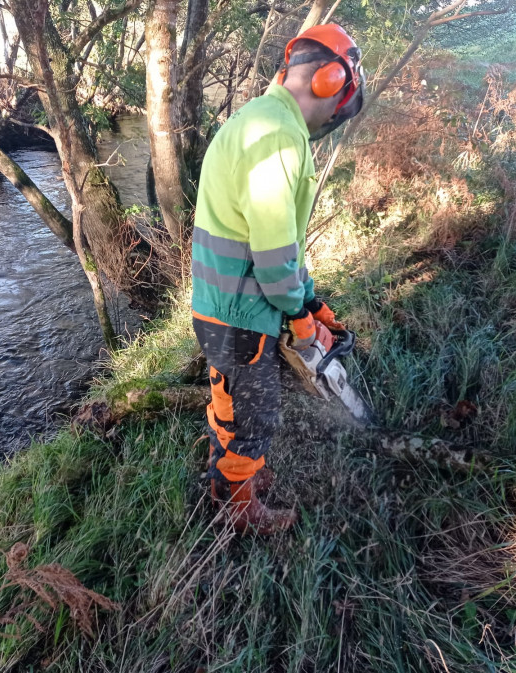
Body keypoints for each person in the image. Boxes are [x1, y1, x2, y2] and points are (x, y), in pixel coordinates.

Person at [191, 24, 365, 534]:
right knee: (257, 417)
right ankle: (238, 507)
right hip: (244, 314)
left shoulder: (257, 119)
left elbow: (280, 243)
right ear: (331, 81)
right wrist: (299, 319)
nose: (334, 118)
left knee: (228, 398)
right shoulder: (281, 140)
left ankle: (227, 472)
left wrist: (311, 302)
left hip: (218, 307)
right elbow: (272, 264)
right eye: (339, 106)